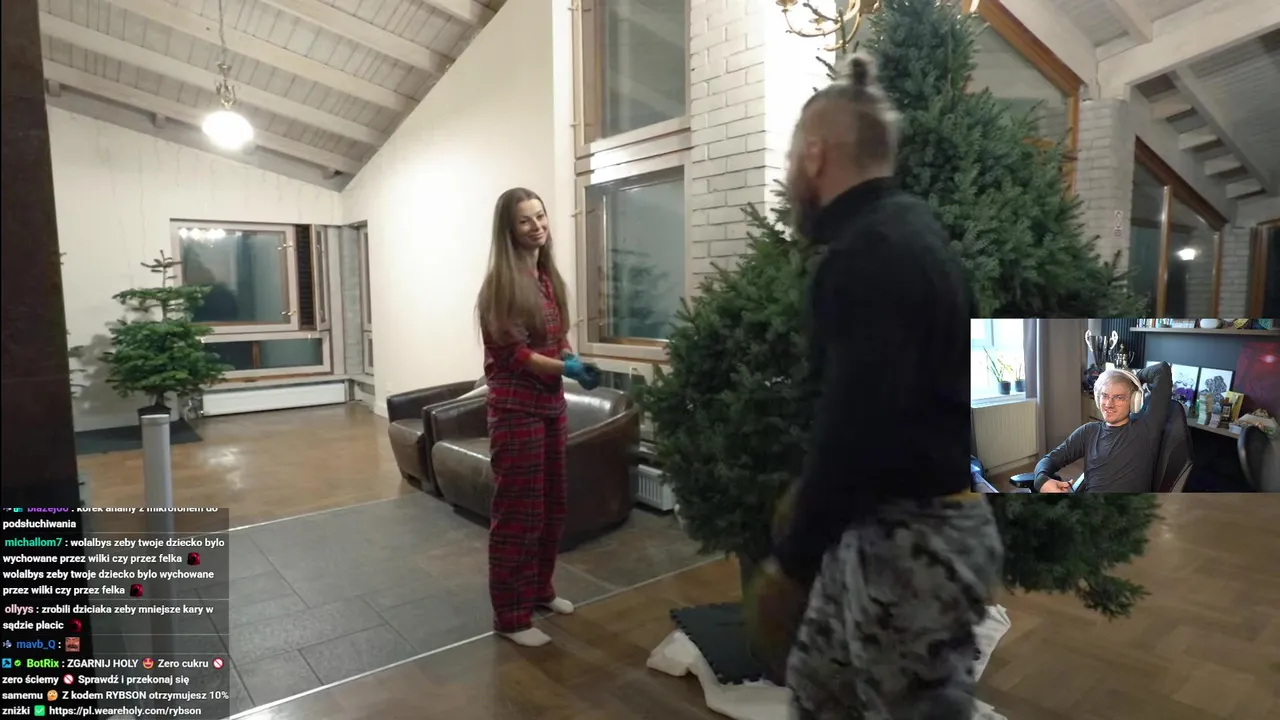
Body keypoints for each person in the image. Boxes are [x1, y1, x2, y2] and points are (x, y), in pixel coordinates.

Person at [745, 55, 1004, 719]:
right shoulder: (908, 232)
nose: (789, 172)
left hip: (916, 547)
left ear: (814, 155)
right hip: (882, 527)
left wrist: (791, 564)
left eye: (791, 157)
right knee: (818, 691)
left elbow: (859, 425)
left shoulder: (869, 254)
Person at [475, 187, 599, 647]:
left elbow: (555, 337)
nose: (537, 226)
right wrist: (566, 370)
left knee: (551, 507)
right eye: (525, 220)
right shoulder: (500, 287)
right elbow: (517, 356)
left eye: (540, 216)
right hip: (516, 413)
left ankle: (539, 592)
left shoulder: (546, 279)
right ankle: (511, 618)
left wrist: (571, 356)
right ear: (509, 230)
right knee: (519, 514)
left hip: (550, 408)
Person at [1034, 363, 1172, 493]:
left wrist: (1133, 379)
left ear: (1133, 401)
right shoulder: (1088, 432)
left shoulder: (1146, 428)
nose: (1109, 404)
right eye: (1105, 396)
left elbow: (1162, 370)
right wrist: (1042, 481)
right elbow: (1049, 460)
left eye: (1119, 397)